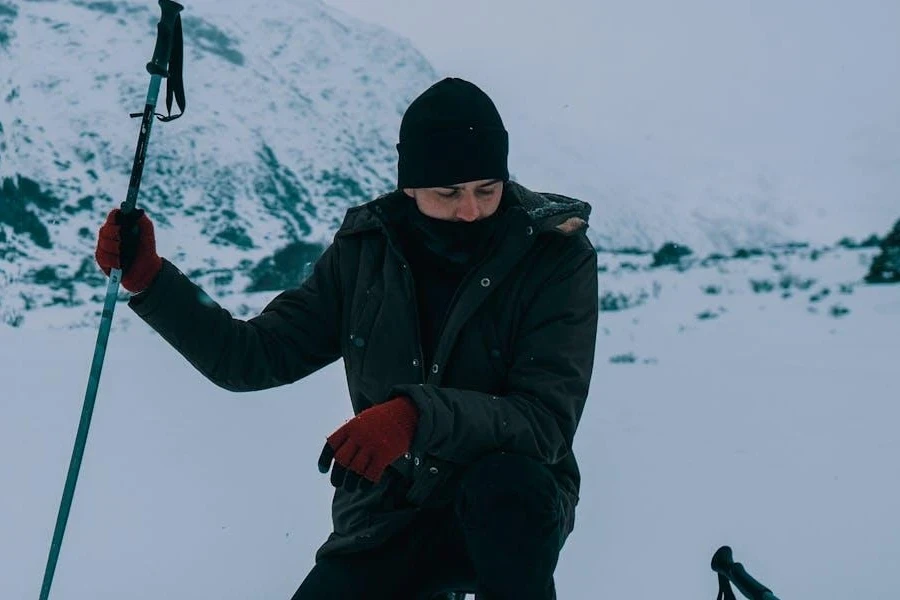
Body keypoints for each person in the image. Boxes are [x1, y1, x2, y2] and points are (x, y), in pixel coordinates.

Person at [94, 77, 599, 600]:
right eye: (449, 193)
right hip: (389, 513)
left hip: (506, 516)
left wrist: (413, 417)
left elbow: (544, 423)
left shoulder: (553, 256)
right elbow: (252, 357)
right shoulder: (366, 251)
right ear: (411, 186)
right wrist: (152, 279)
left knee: (510, 487)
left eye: (486, 190)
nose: (470, 210)